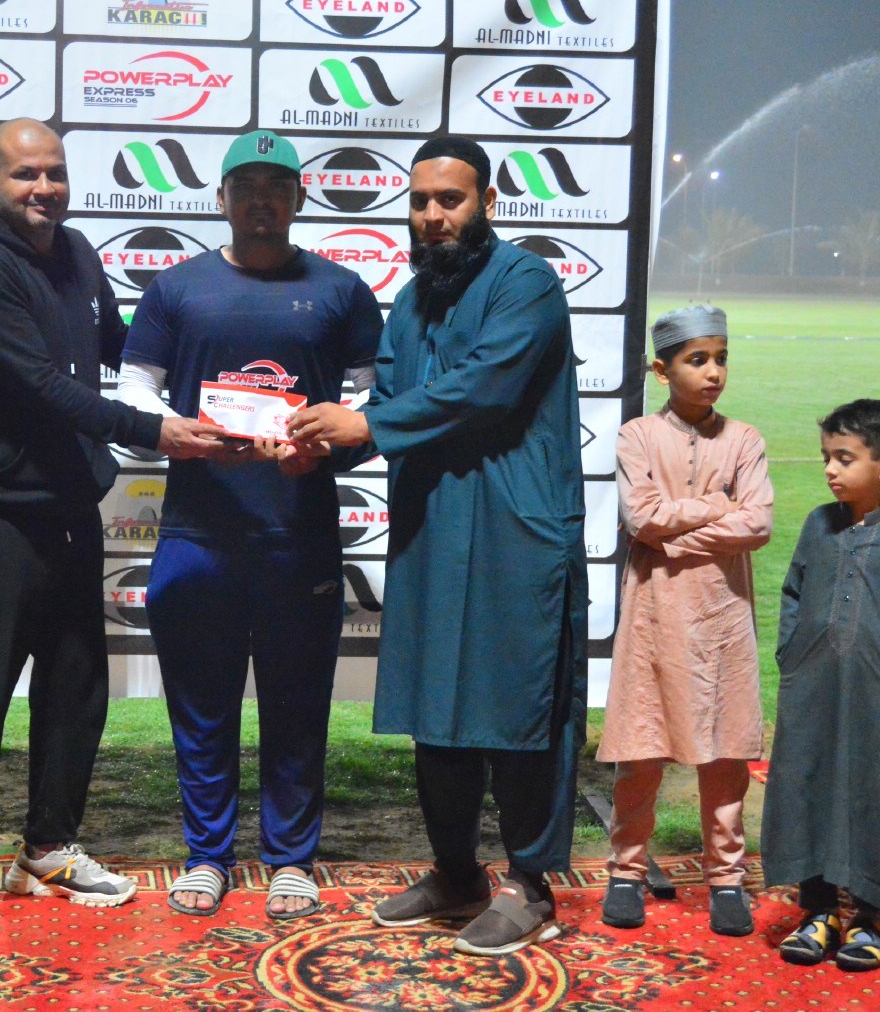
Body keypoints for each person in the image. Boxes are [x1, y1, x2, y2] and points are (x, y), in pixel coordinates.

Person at [288, 137, 588, 956]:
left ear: (485, 202)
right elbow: (388, 403)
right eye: (419, 201)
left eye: (448, 200)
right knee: (435, 706)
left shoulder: (526, 281)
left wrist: (366, 426)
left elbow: (484, 387)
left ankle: (531, 883)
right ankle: (457, 874)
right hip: (430, 531)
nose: (431, 215)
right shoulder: (413, 297)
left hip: (514, 529)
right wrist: (320, 447)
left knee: (518, 709)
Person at [0, 118, 224, 931]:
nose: (44, 188)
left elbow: (121, 348)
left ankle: (49, 845)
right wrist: (153, 430)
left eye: (54, 173)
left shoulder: (80, 253)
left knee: (75, 687)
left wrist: (216, 374)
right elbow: (36, 385)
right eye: (25, 174)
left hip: (69, 506)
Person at [117, 130, 384, 921]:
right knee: (200, 705)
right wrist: (172, 431)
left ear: (299, 197)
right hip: (196, 530)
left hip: (298, 528)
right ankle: (206, 855)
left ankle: (290, 860)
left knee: (296, 705)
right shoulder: (176, 288)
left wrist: (327, 446)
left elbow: (372, 403)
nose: (260, 200)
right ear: (221, 198)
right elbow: (133, 389)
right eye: (245, 186)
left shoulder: (341, 290)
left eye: (276, 186)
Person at [595, 305, 773, 937]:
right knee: (642, 747)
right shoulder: (638, 435)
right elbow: (641, 518)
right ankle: (626, 871)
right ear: (661, 369)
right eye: (698, 360)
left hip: (722, 615)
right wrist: (716, 506)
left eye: (721, 359)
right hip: (655, 614)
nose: (713, 372)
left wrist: (675, 535)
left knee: (726, 751)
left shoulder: (744, 439)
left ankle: (726, 877)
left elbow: (758, 523)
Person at [762, 398, 880, 971]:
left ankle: (870, 918)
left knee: (878, 793)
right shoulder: (818, 525)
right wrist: (793, 656)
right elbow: (793, 593)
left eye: (844, 458)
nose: (830, 469)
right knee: (807, 781)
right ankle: (818, 911)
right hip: (812, 685)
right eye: (826, 457)